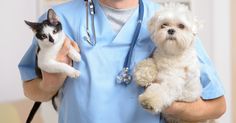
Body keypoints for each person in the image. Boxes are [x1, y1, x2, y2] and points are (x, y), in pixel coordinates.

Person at [18, 0, 226, 123]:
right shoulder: (60, 20)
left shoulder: (167, 19)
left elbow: (217, 105)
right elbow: (30, 88)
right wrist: (50, 83)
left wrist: (172, 106)